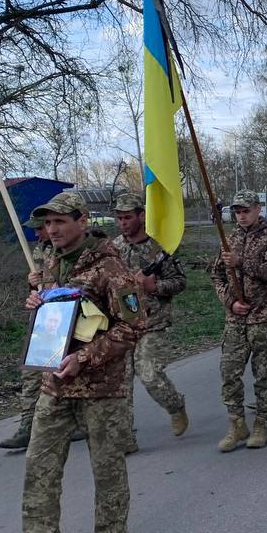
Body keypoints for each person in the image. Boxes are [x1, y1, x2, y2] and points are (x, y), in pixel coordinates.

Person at [4, 192, 145, 533]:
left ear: (82, 220)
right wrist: (38, 302)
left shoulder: (110, 267)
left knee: (107, 470)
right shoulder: (49, 262)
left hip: (101, 387)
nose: (52, 230)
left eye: (60, 222)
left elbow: (133, 326)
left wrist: (86, 359)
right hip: (55, 384)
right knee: (39, 473)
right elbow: (56, 318)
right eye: (47, 224)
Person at [110, 192, 188, 453]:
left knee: (149, 373)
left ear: (142, 216)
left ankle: (175, 405)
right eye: (119, 218)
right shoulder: (114, 248)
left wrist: (156, 287)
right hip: (123, 323)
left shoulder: (158, 248)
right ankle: (124, 439)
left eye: (128, 218)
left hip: (153, 322)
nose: (123, 223)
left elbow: (180, 282)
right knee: (121, 382)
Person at [211, 191, 267, 452]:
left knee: (263, 374)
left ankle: (262, 423)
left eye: (246, 210)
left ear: (257, 209)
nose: (241, 216)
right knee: (229, 371)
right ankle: (236, 422)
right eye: (237, 212)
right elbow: (217, 276)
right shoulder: (228, 238)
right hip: (236, 317)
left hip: (264, 315)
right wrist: (230, 302)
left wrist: (243, 262)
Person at [1, 219, 55, 451]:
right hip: (45, 319)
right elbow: (36, 291)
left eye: (40, 227)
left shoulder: (71, 250)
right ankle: (27, 427)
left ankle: (79, 421)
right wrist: (33, 284)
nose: (37, 232)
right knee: (32, 371)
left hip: (71, 317)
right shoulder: (38, 250)